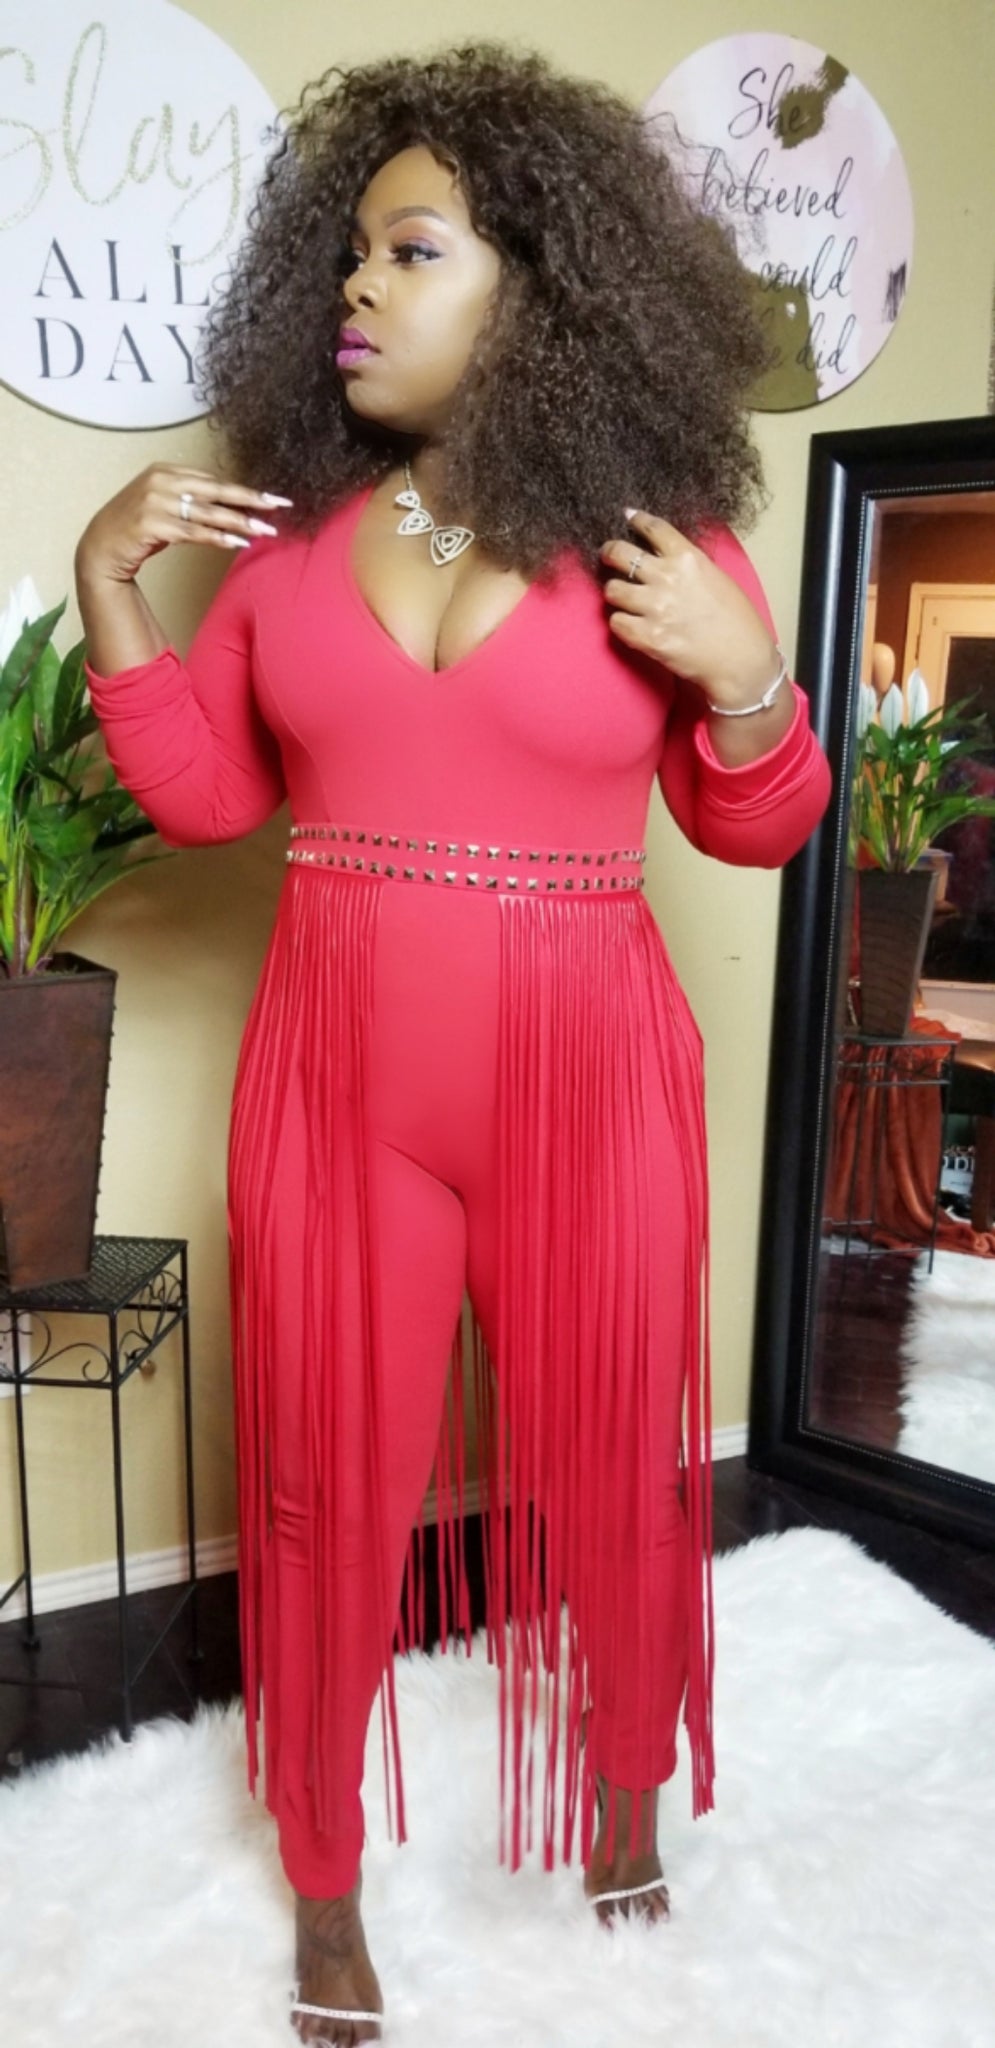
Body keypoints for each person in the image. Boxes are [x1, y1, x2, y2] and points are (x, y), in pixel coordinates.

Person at [74, 41, 832, 2045]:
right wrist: (109, 588)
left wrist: (753, 686)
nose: (358, 282)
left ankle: (626, 1782)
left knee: (615, 1475)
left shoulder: (666, 544)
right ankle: (325, 1882)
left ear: (545, 287)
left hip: (594, 1089)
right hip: (339, 1098)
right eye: (347, 251)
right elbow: (208, 802)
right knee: (323, 1492)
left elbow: (756, 826)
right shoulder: (289, 559)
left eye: (411, 249)